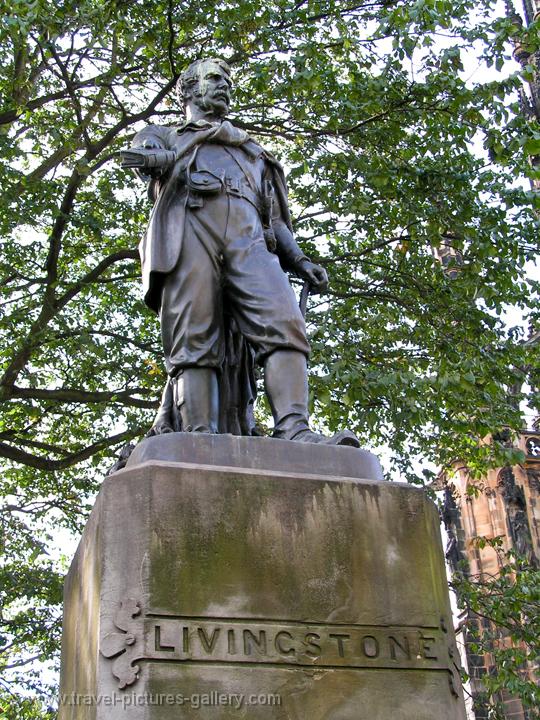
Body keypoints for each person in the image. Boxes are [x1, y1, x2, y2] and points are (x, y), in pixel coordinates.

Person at [122, 58, 358, 446]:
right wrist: (154, 158)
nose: (224, 86)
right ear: (189, 90)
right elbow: (140, 155)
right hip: (190, 233)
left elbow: (276, 220)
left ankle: (295, 428)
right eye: (214, 79)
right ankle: (200, 436)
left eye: (228, 81)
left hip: (249, 243)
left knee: (285, 322)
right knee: (194, 337)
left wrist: (298, 260)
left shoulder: (252, 152)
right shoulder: (164, 134)